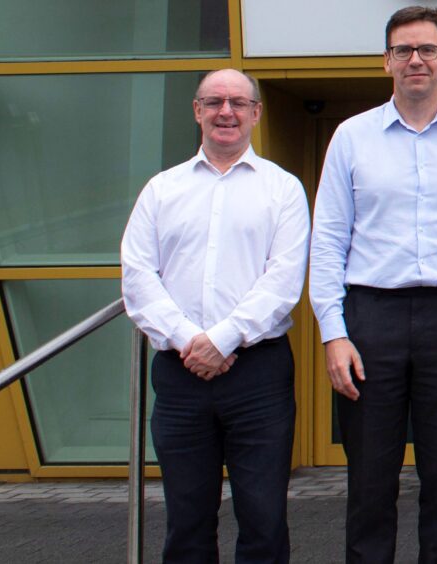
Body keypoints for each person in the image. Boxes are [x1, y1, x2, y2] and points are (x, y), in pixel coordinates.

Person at [308, 6, 437, 562]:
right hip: (369, 322)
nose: (416, 59)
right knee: (369, 483)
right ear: (386, 62)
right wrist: (333, 333)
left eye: (426, 49)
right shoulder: (351, 138)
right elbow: (326, 242)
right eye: (403, 50)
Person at [121, 68, 309, 563]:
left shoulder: (283, 189)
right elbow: (138, 277)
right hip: (181, 376)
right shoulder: (160, 190)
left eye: (238, 102)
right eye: (215, 101)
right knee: (186, 521)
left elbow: (284, 281)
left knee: (264, 519)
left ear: (255, 113)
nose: (226, 111)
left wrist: (222, 339)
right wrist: (191, 341)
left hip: (259, 374)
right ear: (197, 111)